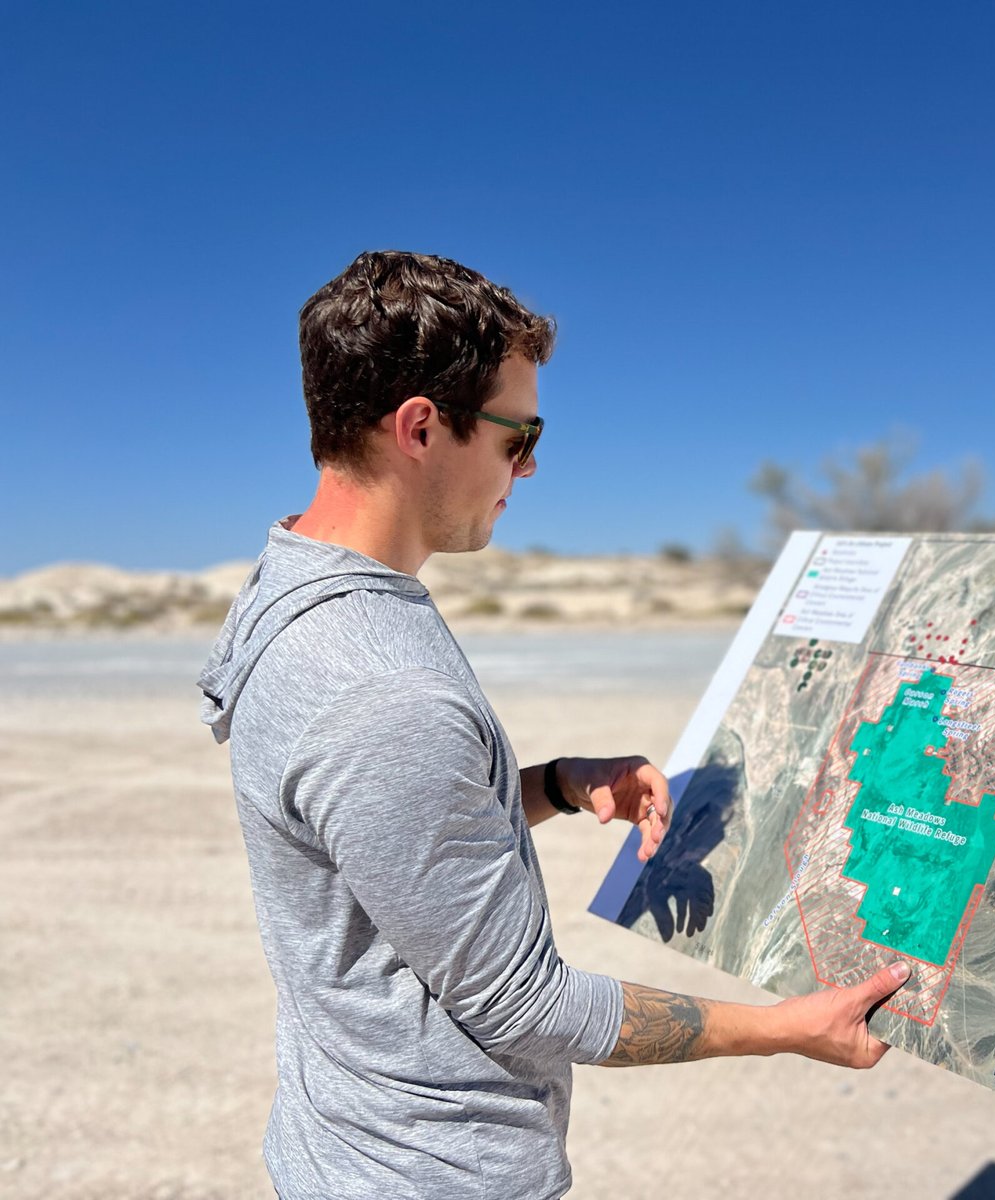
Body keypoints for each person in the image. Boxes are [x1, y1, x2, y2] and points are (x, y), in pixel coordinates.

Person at [197, 250, 909, 1199]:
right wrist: (785, 1027)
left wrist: (561, 785)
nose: (532, 464)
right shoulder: (380, 689)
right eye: (516, 434)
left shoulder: (295, 584)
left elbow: (391, 846)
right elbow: (529, 1007)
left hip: (350, 1152)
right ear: (419, 428)